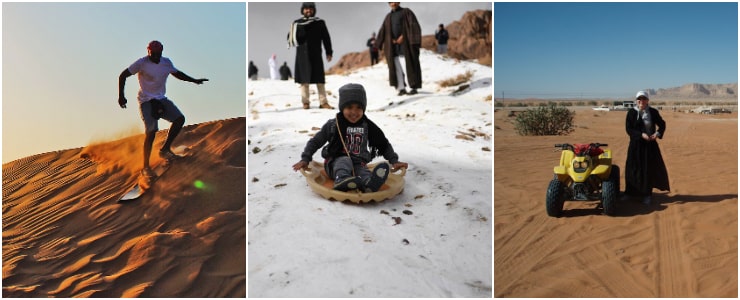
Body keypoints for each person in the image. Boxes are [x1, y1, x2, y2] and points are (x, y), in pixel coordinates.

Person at [292, 83, 409, 192]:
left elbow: (382, 144)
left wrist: (394, 161)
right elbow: (316, 141)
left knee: (363, 170)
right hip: (335, 163)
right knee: (344, 160)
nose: (354, 111)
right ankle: (341, 180)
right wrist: (305, 159)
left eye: (359, 107)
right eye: (349, 107)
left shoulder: (367, 125)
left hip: (358, 162)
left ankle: (369, 183)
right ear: (342, 108)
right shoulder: (334, 125)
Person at [118, 40, 208, 179]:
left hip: (161, 99)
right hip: (146, 101)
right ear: (148, 52)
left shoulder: (166, 62)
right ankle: (145, 168)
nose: (156, 56)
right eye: (153, 54)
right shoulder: (141, 63)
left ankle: (165, 149)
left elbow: (177, 73)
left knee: (179, 119)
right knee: (152, 131)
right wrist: (121, 96)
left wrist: (194, 80)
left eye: (158, 54)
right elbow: (123, 75)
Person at [624, 91, 670, 205]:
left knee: (647, 169)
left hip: (649, 146)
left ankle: (647, 195)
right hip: (636, 146)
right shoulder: (631, 112)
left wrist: (657, 134)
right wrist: (640, 135)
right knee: (632, 168)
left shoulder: (653, 112)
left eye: (644, 99)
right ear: (636, 101)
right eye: (639, 99)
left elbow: (662, 124)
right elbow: (629, 129)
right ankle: (630, 193)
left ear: (647, 100)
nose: (641, 101)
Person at [287, 2, 334, 109]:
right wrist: (299, 33)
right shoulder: (297, 24)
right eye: (306, 9)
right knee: (304, 80)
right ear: (302, 10)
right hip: (302, 56)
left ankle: (323, 102)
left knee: (320, 80)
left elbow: (326, 38)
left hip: (316, 55)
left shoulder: (320, 23)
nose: (308, 11)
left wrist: (329, 52)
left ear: (314, 10)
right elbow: (290, 37)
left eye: (310, 9)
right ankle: (305, 102)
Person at [376, 2, 422, 96]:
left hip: (406, 45)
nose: (393, 3)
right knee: (396, 68)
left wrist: (404, 36)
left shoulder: (406, 12)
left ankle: (412, 88)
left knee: (408, 66)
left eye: (395, 1)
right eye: (391, 2)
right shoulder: (388, 17)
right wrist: (382, 42)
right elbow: (383, 30)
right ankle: (401, 88)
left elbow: (414, 26)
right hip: (393, 47)